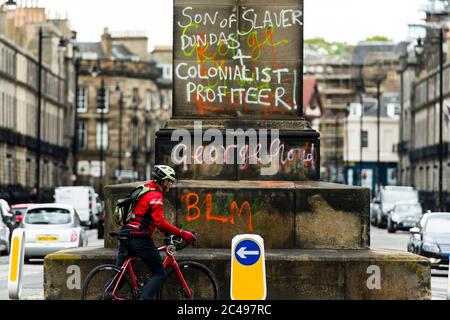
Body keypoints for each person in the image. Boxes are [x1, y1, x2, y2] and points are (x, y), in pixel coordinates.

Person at [116, 165, 196, 300]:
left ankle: (107, 293)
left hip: (126, 233)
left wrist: (168, 233)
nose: (170, 185)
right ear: (164, 181)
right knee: (159, 273)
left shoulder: (146, 189)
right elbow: (160, 222)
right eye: (169, 181)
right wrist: (182, 233)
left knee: (119, 275)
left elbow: (150, 220)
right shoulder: (155, 195)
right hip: (139, 237)